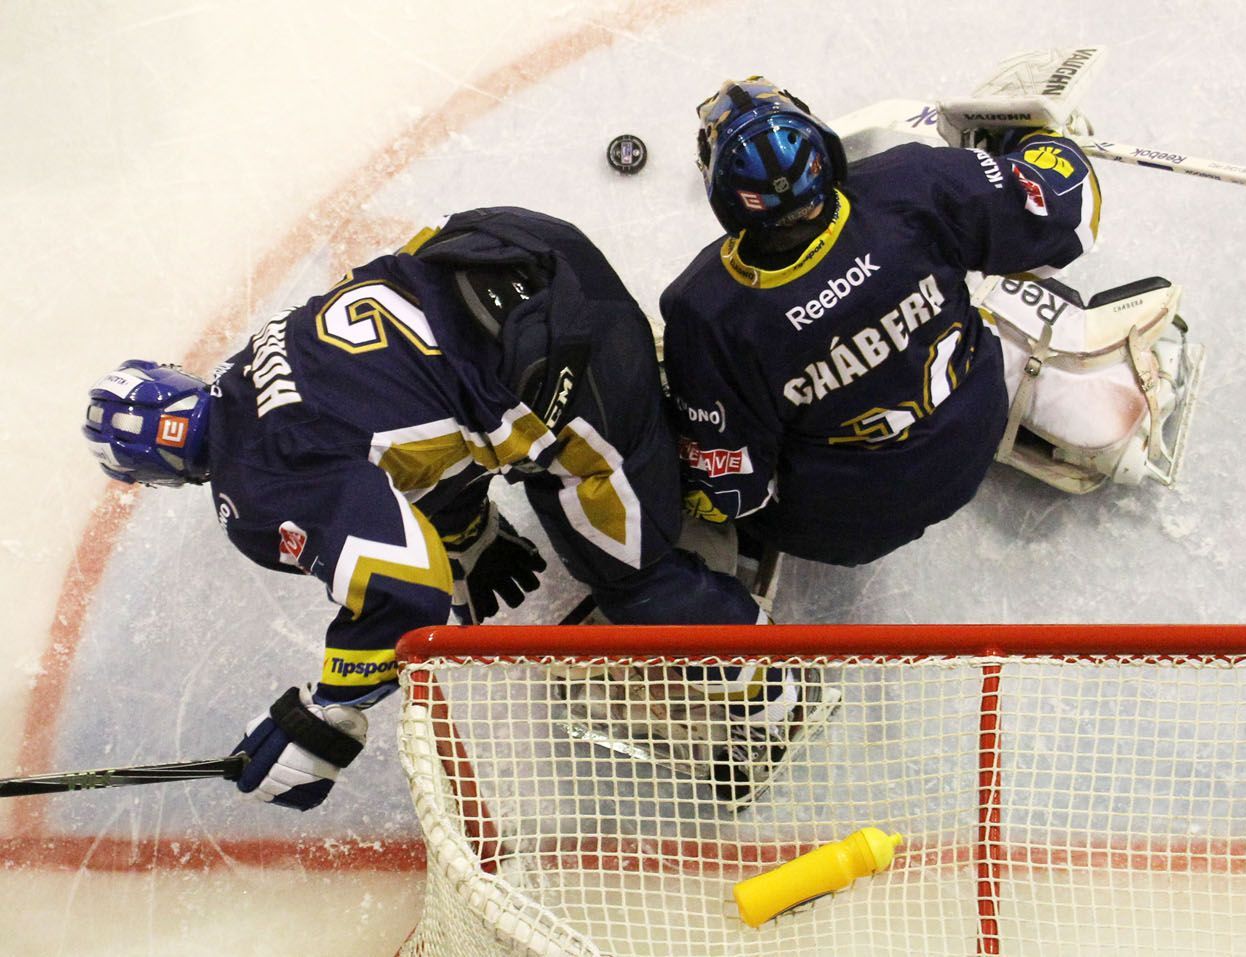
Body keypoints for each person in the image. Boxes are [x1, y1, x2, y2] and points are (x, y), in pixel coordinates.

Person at [81, 207, 768, 812]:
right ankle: (637, 427)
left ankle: (770, 690)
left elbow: (405, 591)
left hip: (577, 361)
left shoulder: (255, 489)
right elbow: (391, 427)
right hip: (531, 248)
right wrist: (466, 530)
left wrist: (328, 714)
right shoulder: (249, 360)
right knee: (441, 431)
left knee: (632, 578)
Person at [661, 77, 1102, 566]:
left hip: (846, 529)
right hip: (977, 435)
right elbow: (1070, 214)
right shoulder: (912, 182)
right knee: (983, 295)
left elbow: (729, 492)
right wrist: (1036, 139)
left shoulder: (704, 311)